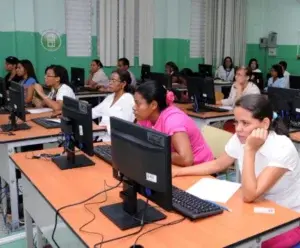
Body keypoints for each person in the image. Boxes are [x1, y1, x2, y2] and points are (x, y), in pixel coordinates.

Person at [173, 94, 300, 248]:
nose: (238, 129)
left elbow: (250, 195)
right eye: (236, 122)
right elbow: (218, 164)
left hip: (287, 220)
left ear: (265, 123)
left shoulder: (282, 148)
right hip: (254, 209)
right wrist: (178, 172)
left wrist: (249, 150)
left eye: (245, 123)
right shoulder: (241, 137)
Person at [134, 81, 213, 167]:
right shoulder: (145, 117)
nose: (134, 107)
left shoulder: (173, 121)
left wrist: (156, 153)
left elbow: (186, 159)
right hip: (173, 165)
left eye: (137, 103)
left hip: (199, 168)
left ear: (153, 105)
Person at [92, 70, 135, 141]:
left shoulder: (128, 99)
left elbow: (125, 127)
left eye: (113, 81)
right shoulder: (110, 97)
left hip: (114, 141)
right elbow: (94, 112)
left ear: (123, 84)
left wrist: (103, 128)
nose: (110, 83)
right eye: (110, 80)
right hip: (101, 138)